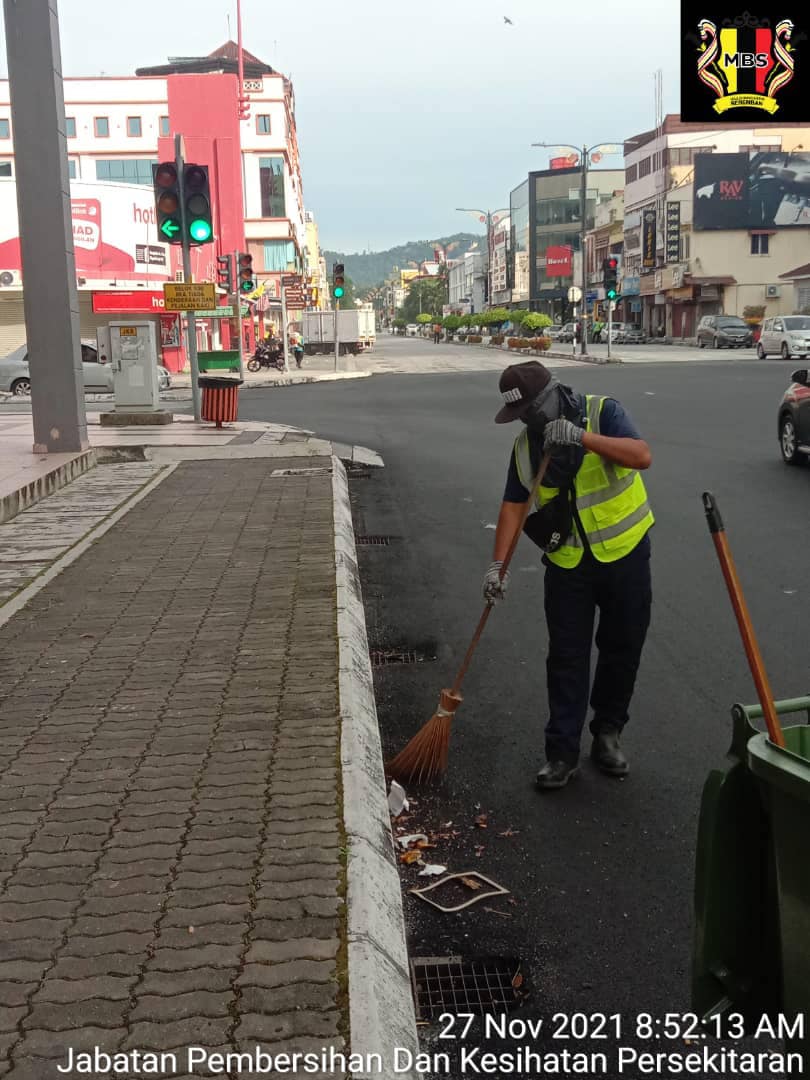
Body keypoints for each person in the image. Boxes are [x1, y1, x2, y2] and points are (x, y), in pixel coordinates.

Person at [482, 360, 653, 790]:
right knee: (566, 658)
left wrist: (582, 437)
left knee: (621, 649)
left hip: (625, 554)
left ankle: (608, 734)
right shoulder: (526, 447)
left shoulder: (602, 412)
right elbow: (513, 506)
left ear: (553, 395)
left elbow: (641, 455)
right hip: (568, 564)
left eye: (532, 412)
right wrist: (497, 567)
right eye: (521, 417)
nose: (529, 422)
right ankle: (561, 754)